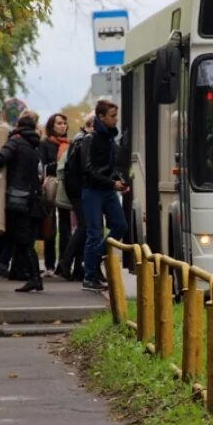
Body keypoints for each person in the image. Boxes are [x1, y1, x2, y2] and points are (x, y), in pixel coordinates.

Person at [0, 110, 46, 292]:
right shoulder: (33, 145)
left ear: (18, 125)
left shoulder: (16, 141)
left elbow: (0, 158)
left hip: (16, 198)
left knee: (22, 241)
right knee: (2, 239)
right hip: (30, 198)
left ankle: (35, 279)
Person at [81, 100, 129, 292]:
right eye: (112, 116)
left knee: (120, 225)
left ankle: (94, 258)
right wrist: (112, 183)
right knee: (94, 232)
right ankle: (89, 276)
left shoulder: (109, 139)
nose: (116, 119)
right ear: (101, 117)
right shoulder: (90, 139)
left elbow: (111, 166)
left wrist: (119, 181)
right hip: (92, 190)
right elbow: (87, 169)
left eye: (116, 115)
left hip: (107, 189)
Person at [58, 113, 94, 281]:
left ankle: (76, 266)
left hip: (76, 189)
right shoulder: (84, 140)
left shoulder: (78, 139)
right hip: (79, 189)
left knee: (84, 227)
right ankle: (66, 262)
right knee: (84, 226)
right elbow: (84, 168)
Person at [39, 113, 71, 277]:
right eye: (59, 123)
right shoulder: (45, 144)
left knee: (65, 226)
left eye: (64, 123)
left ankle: (64, 264)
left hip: (65, 187)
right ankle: (49, 265)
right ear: (52, 126)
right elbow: (43, 166)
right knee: (49, 225)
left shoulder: (69, 144)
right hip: (50, 187)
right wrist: (56, 166)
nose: (63, 126)